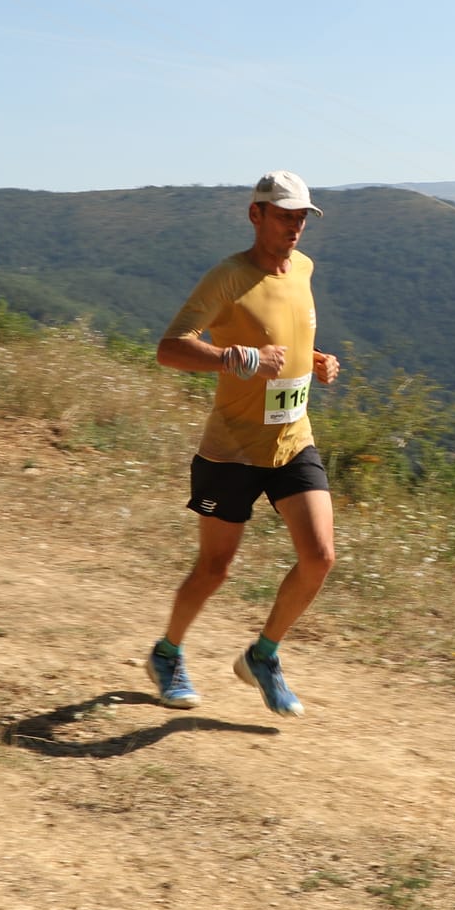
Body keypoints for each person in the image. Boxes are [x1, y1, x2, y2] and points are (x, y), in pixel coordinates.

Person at [148, 170, 340, 717]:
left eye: (302, 216)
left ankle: (263, 655)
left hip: (291, 441)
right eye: (285, 216)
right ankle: (167, 654)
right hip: (231, 449)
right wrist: (238, 359)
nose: (295, 227)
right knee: (214, 569)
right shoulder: (228, 278)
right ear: (256, 215)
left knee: (320, 557)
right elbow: (170, 349)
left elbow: (287, 336)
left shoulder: (302, 268)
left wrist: (315, 358)